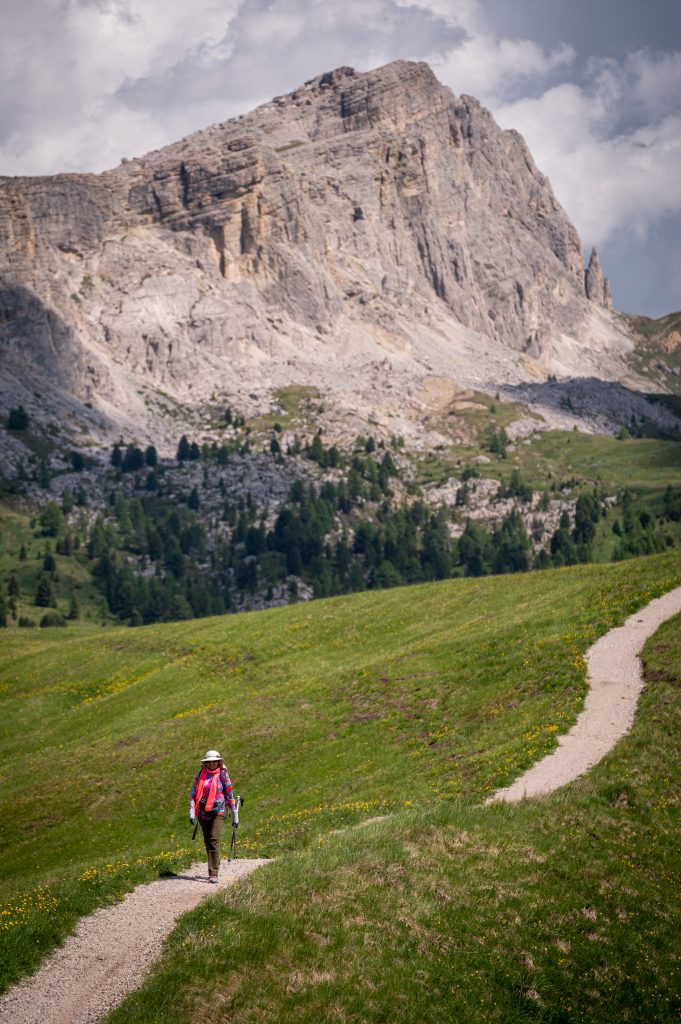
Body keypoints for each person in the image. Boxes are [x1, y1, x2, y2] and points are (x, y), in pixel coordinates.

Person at [189, 749, 238, 883]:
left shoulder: (223, 775)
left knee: (214, 839)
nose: (211, 764)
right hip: (203, 813)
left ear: (218, 762)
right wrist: (192, 811)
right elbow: (193, 794)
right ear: (205, 763)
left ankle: (213, 872)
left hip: (219, 812)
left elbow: (229, 794)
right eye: (209, 762)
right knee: (207, 841)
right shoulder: (200, 776)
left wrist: (235, 814)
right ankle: (214, 862)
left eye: (214, 761)